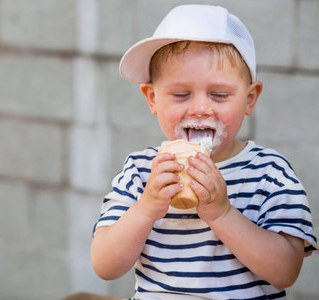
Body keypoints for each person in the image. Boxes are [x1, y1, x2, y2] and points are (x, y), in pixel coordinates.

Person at [91, 4, 318, 300]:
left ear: (249, 99)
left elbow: (287, 270)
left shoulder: (269, 172)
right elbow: (105, 265)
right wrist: (146, 208)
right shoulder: (140, 171)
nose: (200, 108)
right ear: (152, 98)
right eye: (181, 94)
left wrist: (221, 212)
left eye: (219, 95)